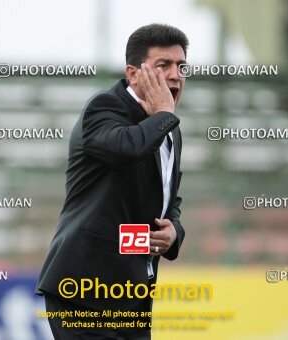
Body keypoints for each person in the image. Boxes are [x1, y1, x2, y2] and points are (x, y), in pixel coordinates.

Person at [36, 23, 188, 340]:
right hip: (84, 286)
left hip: (132, 292)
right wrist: (163, 114)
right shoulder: (104, 108)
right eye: (163, 65)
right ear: (133, 73)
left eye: (181, 66)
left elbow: (167, 198)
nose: (175, 75)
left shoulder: (169, 127)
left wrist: (173, 231)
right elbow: (126, 149)